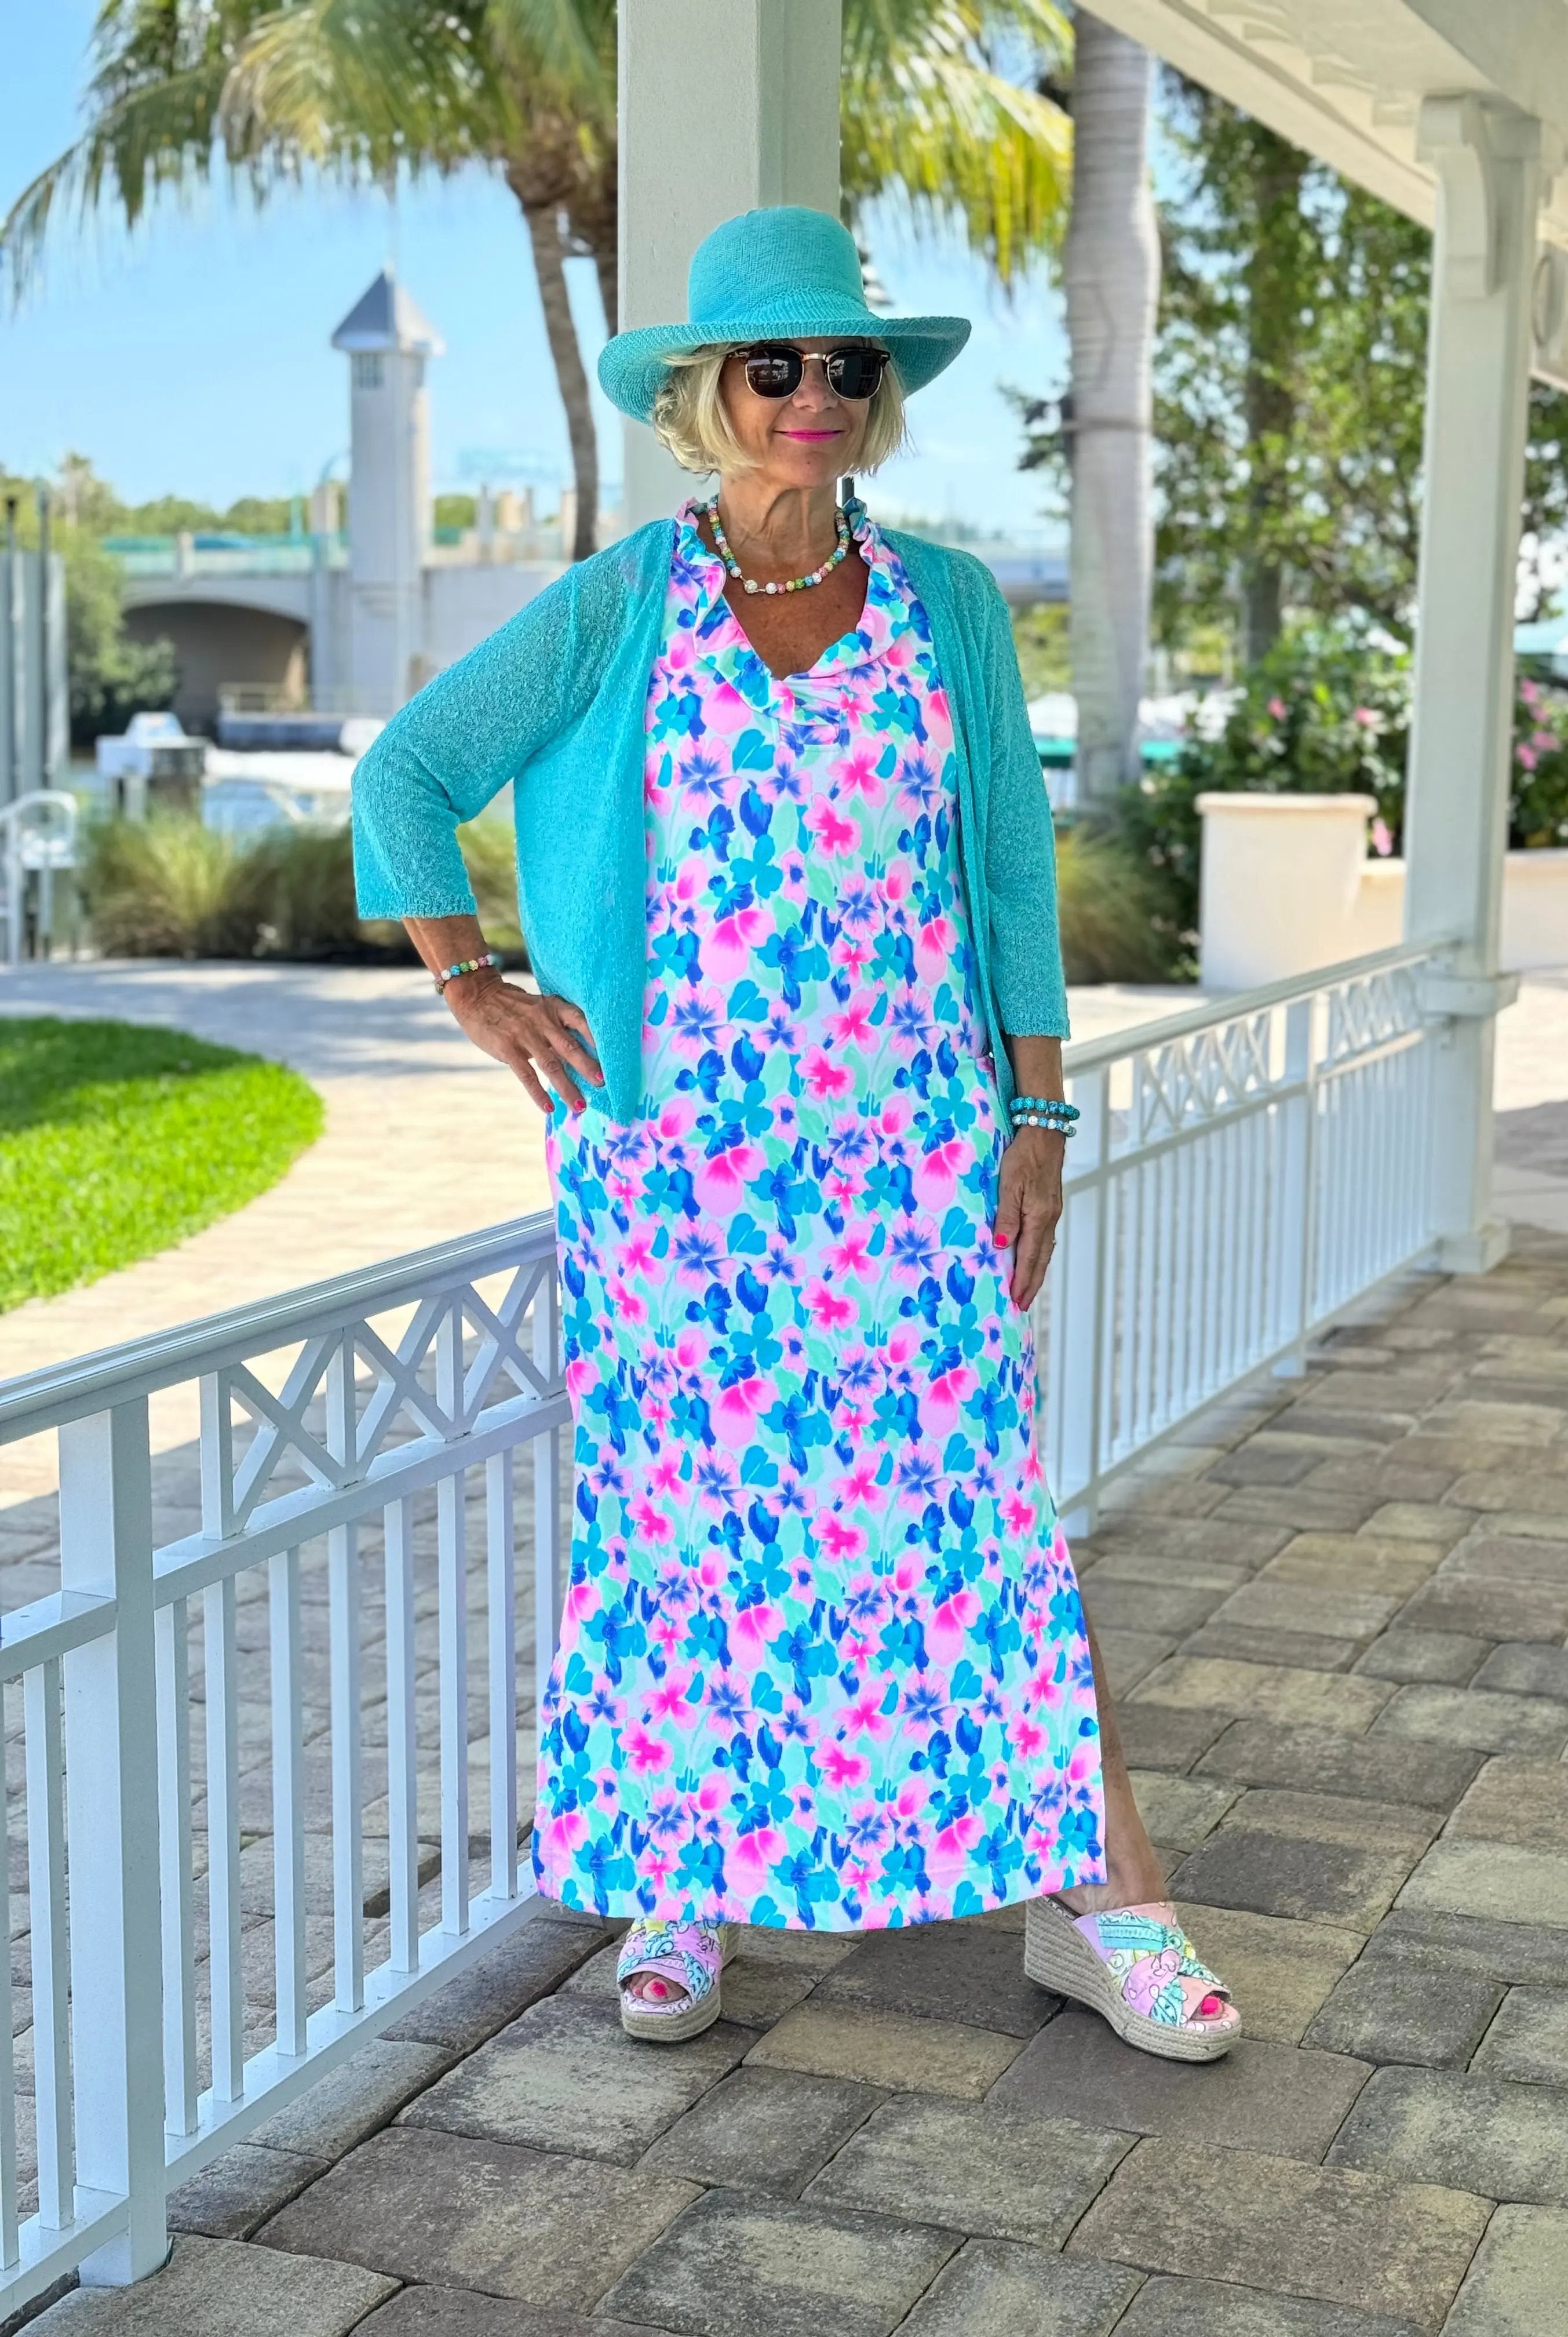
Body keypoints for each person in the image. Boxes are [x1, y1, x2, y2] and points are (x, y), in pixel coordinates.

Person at [352, 205, 1238, 2062]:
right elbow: (408, 774)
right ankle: (682, 1881)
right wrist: (475, 983)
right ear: (708, 392)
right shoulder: (621, 605)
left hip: (913, 1154)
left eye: (846, 364)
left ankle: (1103, 1896)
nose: (814, 393)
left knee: (979, 1518)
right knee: (684, 1524)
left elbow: (1009, 873)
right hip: (675, 1173)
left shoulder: (948, 607)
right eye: (776, 365)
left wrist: (1039, 1106)